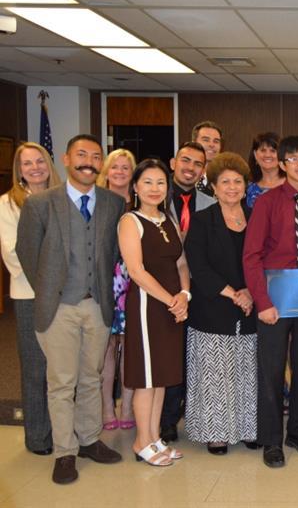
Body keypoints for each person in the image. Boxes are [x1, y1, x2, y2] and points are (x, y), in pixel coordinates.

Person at [17, 134, 126, 484]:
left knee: (92, 376)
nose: (88, 162)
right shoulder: (41, 204)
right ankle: (65, 451)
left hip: (97, 306)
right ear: (65, 159)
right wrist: (50, 290)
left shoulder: (113, 203)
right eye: (81, 155)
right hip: (59, 308)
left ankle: (89, 440)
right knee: (62, 382)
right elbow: (27, 254)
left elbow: (113, 252)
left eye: (95, 156)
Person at [243, 135, 298, 468]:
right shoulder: (266, 203)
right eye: (293, 159)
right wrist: (262, 301)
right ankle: (271, 440)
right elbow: (252, 255)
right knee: (271, 370)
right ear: (282, 164)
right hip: (274, 302)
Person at [184, 153, 258, 455]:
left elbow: (265, 260)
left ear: (245, 186)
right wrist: (234, 293)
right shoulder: (202, 220)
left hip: (251, 307)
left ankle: (248, 427)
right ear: (213, 187)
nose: (232, 187)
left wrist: (251, 292)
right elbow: (198, 266)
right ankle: (216, 432)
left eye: (237, 181)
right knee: (216, 373)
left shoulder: (256, 217)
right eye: (225, 182)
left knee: (248, 370)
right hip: (213, 307)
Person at [120, 158, 190, 467]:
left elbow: (181, 263)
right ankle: (141, 441)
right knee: (147, 379)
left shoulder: (168, 220)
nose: (154, 188)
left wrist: (185, 295)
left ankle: (155, 437)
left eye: (160, 182)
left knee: (161, 376)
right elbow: (136, 271)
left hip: (172, 307)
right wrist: (171, 301)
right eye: (147, 182)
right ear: (135, 187)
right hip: (147, 307)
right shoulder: (130, 221)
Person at [0, 142, 60, 455]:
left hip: (65, 296)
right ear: (19, 170)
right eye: (27, 163)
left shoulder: (61, 198)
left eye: (40, 161)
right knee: (36, 368)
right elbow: (14, 253)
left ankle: (63, 430)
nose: (35, 168)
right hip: (30, 296)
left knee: (63, 369)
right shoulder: (8, 204)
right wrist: (51, 280)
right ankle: (38, 436)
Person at [161, 141, 217, 444]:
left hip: (201, 289)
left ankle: (196, 414)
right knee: (170, 355)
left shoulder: (210, 203)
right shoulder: (155, 195)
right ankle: (167, 420)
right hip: (164, 289)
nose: (190, 168)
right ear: (173, 163)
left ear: (203, 170)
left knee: (196, 355)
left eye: (198, 163)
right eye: (185, 160)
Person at [96, 148, 137, 432]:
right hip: (104, 282)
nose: (120, 172)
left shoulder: (140, 201)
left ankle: (128, 407)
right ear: (106, 171)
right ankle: (107, 406)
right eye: (115, 167)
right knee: (107, 346)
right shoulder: (97, 201)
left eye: (126, 167)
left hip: (135, 282)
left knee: (131, 346)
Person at [246, 131, 285, 208]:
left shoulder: (292, 185)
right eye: (263, 150)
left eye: (273, 151)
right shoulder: (247, 187)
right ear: (255, 154)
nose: (267, 155)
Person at [192, 120, 223, 195]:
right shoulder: (180, 177)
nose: (211, 145)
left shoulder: (226, 179)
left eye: (216, 141)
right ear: (194, 143)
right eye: (206, 140)